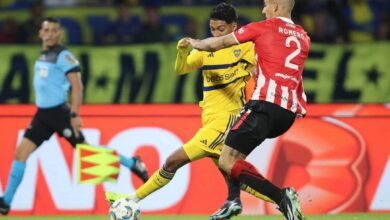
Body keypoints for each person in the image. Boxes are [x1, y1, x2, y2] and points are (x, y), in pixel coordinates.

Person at [106, 3, 268, 220]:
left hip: (226, 120)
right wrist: (182, 51)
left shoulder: (246, 48)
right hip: (209, 120)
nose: (216, 34)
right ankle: (282, 198)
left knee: (174, 160)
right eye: (213, 29)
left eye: (221, 29)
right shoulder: (206, 49)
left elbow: (263, 69)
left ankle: (131, 199)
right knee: (234, 174)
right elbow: (181, 69)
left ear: (234, 27)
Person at [0, 17, 148, 216]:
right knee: (21, 153)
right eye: (47, 30)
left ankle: (132, 163)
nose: (51, 33)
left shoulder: (63, 55)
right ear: (40, 33)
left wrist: (75, 114)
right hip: (42, 115)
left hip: (60, 114)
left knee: (88, 153)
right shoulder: (44, 54)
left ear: (59, 33)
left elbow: (77, 85)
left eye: (54, 30)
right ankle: (6, 201)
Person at [189, 0, 310, 219]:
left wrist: (195, 43)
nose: (263, 10)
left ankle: (282, 197)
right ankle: (232, 200)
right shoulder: (303, 37)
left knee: (226, 160)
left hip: (265, 105)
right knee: (234, 152)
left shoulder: (262, 27)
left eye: (265, 5)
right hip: (288, 114)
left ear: (274, 6)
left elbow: (218, 43)